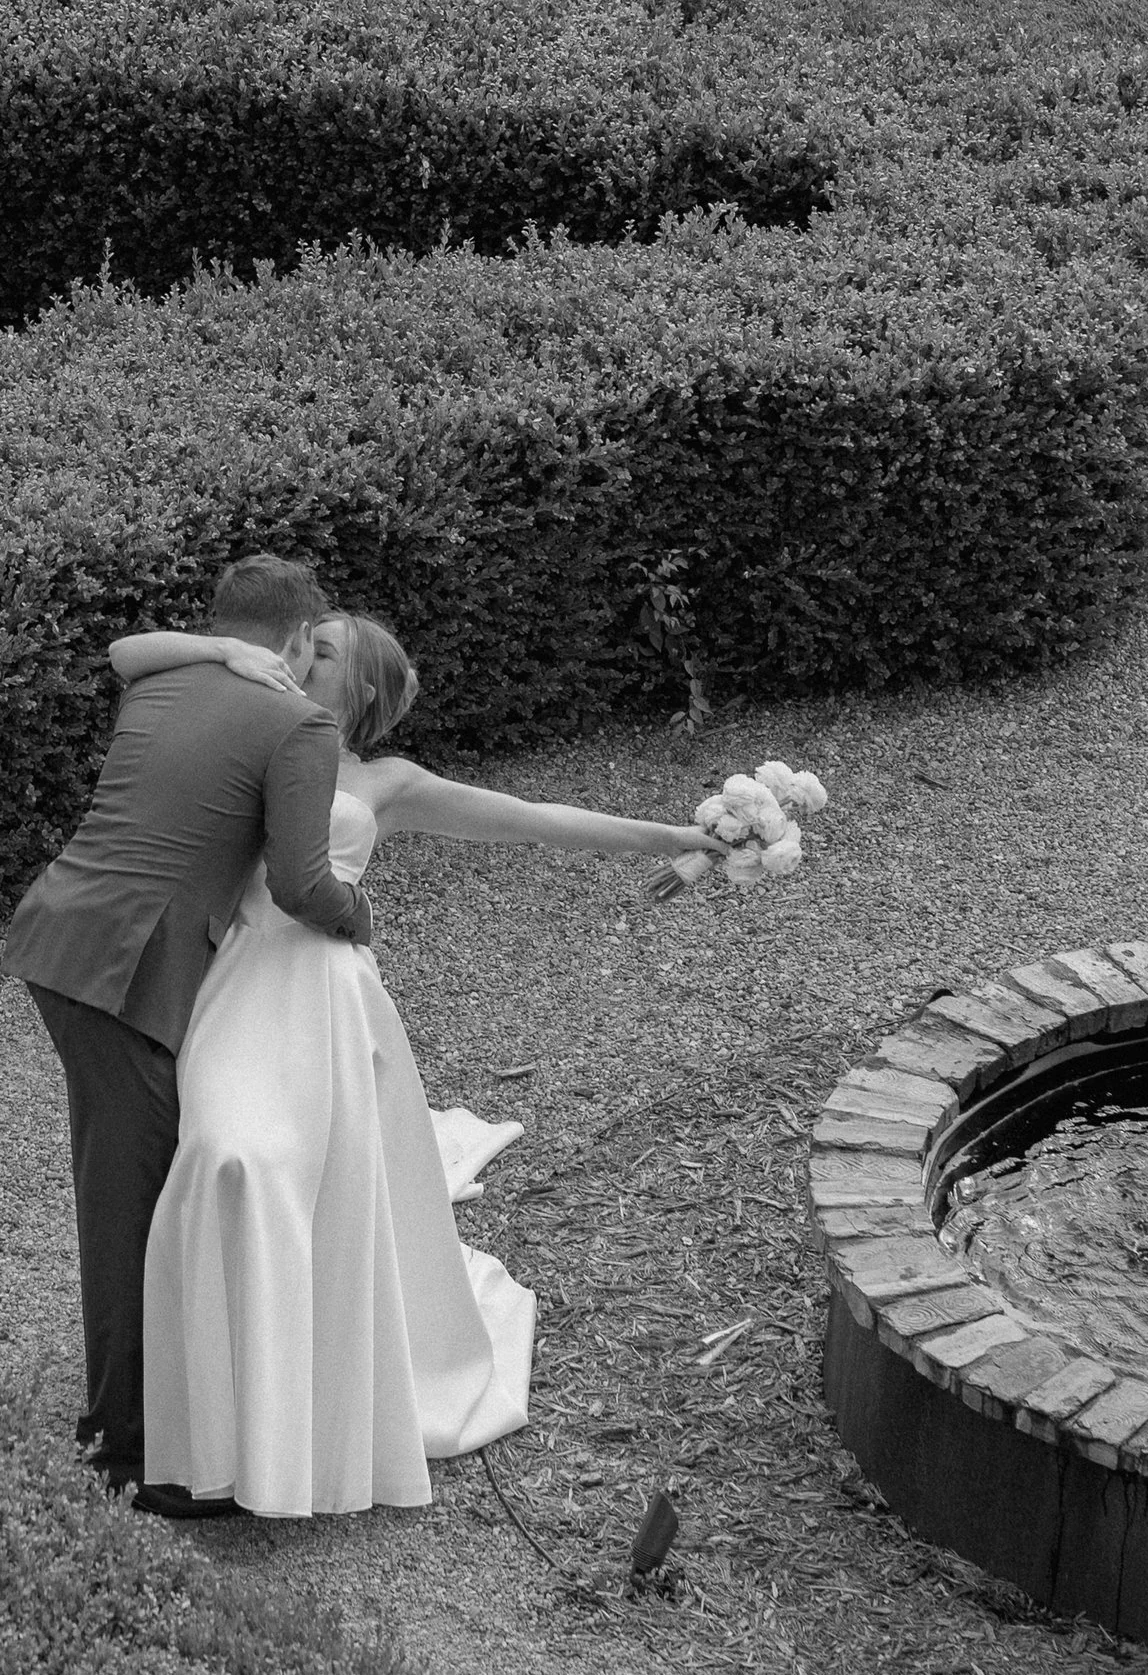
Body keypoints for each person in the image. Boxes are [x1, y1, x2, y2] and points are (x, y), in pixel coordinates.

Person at [118, 611, 715, 1518]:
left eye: (319, 653)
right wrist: (221, 650)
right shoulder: (251, 720)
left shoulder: (386, 782)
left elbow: (534, 823)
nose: (295, 656)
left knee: (284, 1168)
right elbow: (129, 667)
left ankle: (296, 1425)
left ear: (359, 691)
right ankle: (211, 1423)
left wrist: (673, 837)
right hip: (233, 977)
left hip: (323, 990)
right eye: (298, 643)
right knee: (228, 1155)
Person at [1, 553, 373, 1508]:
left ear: (220, 625)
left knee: (143, 1185)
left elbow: (124, 653)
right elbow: (300, 885)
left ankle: (163, 1415)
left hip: (67, 932)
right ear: (295, 641)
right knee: (128, 1205)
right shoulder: (300, 721)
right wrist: (357, 919)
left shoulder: (166, 672)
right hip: (124, 968)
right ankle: (126, 1451)